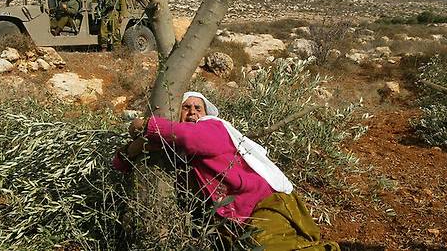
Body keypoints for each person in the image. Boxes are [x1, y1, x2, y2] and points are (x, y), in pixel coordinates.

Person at [113, 92, 339, 250]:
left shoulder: (213, 127)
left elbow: (191, 139)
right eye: (185, 107)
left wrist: (145, 126)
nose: (192, 112)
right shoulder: (174, 151)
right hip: (235, 218)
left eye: (197, 107)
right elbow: (120, 165)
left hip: (263, 205)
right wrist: (134, 148)